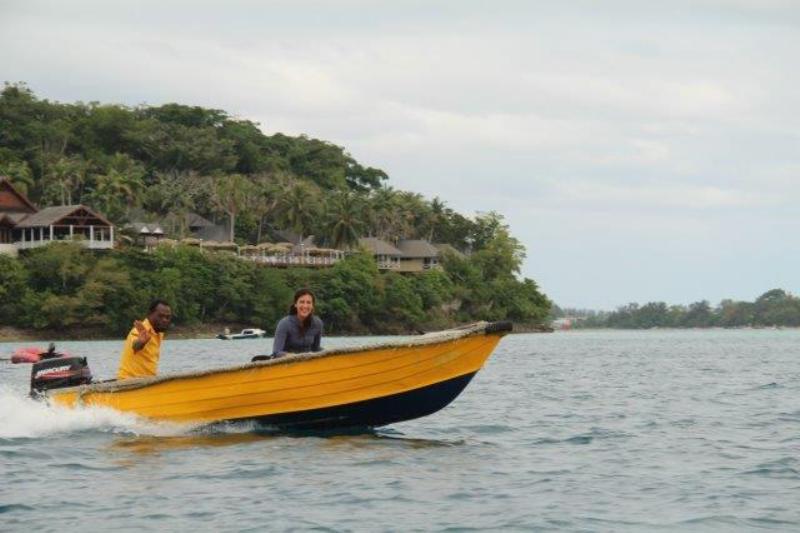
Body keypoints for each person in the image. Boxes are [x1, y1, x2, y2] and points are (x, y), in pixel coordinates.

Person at [117, 299, 173, 380]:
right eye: (160, 316)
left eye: (167, 317)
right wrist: (141, 342)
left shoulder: (159, 332)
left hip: (147, 381)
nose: (164, 320)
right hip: (129, 382)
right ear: (150, 314)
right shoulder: (139, 330)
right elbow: (135, 346)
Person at [271, 288, 323, 357]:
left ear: (312, 306)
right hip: (287, 364)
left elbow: (316, 349)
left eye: (308, 302)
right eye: (302, 302)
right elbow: (276, 352)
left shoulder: (317, 323)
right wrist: (296, 357)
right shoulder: (284, 324)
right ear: (295, 304)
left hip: (308, 364)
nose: (305, 306)